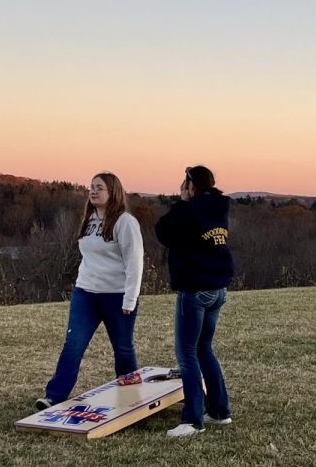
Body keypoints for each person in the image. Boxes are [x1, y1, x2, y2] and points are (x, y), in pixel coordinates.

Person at [37, 172, 144, 410]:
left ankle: (130, 397)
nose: (93, 191)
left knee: (123, 348)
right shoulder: (89, 219)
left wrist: (130, 299)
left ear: (113, 192)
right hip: (86, 293)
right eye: (91, 187)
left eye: (100, 188)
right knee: (73, 344)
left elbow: (135, 262)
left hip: (117, 296)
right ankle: (54, 396)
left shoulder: (125, 222)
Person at [154, 165, 235, 438]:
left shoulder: (189, 211)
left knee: (187, 353)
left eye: (184, 184)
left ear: (191, 186)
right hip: (218, 289)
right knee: (205, 349)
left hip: (195, 290)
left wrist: (181, 203)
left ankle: (192, 419)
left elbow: (163, 231)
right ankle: (220, 411)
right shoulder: (219, 209)